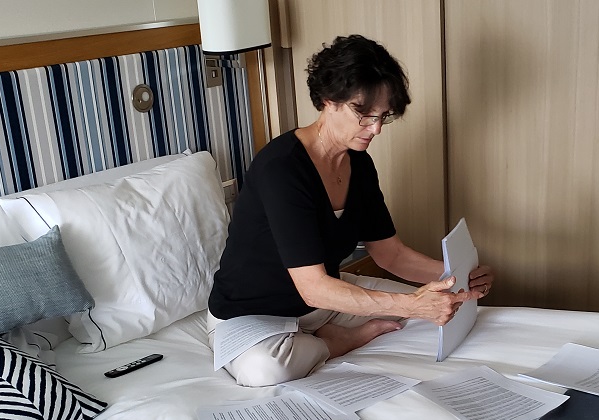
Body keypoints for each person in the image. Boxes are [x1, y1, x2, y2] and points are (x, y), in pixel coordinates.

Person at [207, 34, 494, 387]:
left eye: (383, 116)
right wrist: (409, 304)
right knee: (266, 370)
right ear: (329, 99)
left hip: (323, 302)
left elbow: (390, 254)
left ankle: (323, 334)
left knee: (436, 305)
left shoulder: (359, 164)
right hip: (253, 315)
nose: (376, 129)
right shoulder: (281, 169)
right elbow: (312, 287)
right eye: (364, 114)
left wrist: (458, 275)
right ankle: (337, 342)